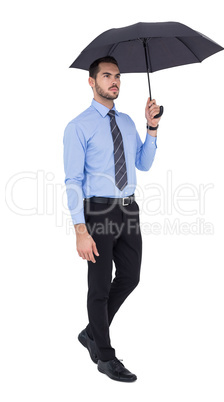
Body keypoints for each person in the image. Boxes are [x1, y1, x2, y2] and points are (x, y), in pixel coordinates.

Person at [63, 56, 162, 382]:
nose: (114, 81)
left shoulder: (127, 122)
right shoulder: (79, 126)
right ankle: (105, 356)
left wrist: (151, 127)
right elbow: (73, 181)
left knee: (130, 277)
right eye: (107, 76)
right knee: (100, 285)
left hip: (128, 208)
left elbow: (143, 164)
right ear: (92, 82)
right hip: (98, 210)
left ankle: (92, 332)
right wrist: (80, 230)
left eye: (117, 76)